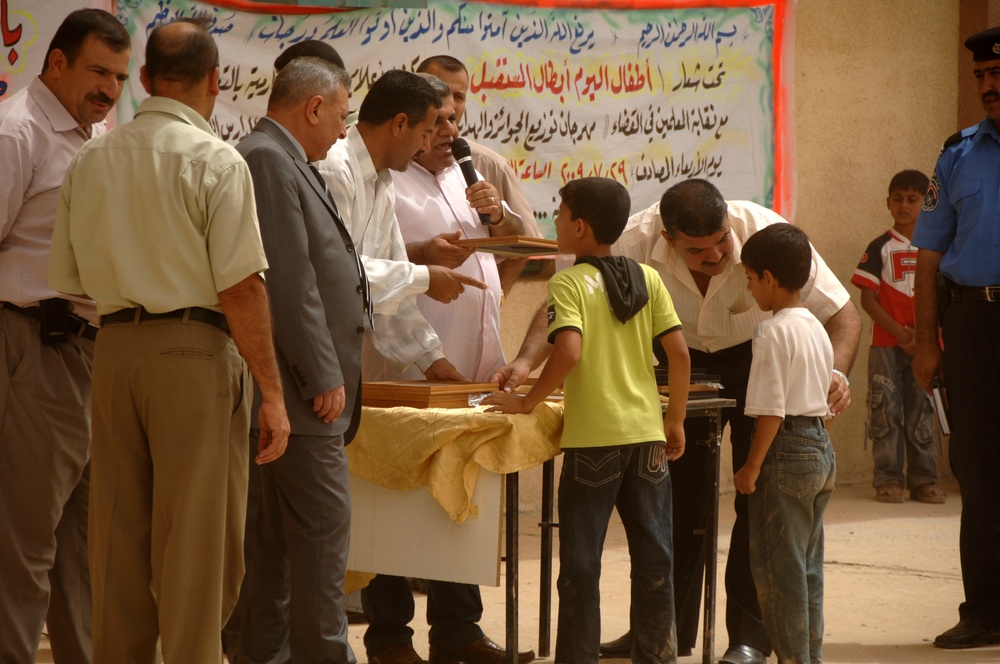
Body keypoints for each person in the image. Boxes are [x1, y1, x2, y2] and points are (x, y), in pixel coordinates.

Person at [497, 179, 860, 664]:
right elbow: (557, 311)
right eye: (697, 250)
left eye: (722, 243)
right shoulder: (635, 242)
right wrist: (524, 361)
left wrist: (832, 374)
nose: (714, 257)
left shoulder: (767, 233)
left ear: (731, 225)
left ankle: (749, 639)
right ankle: (663, 634)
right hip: (674, 372)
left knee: (759, 505)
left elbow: (843, 315)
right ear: (667, 239)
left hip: (760, 362)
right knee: (676, 511)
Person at [48, 18, 290, 664]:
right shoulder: (216, 159)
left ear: (147, 80)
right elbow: (242, 289)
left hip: (113, 352)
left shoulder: (92, 156)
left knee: (117, 543)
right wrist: (272, 393)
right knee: (198, 546)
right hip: (194, 353)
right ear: (216, 80)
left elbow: (69, 278)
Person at [354, 76, 534, 664]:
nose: (449, 133)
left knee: (461, 495)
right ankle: (389, 637)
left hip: (470, 365)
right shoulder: (385, 176)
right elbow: (365, 266)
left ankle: (459, 631)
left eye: (456, 121)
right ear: (413, 123)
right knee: (395, 501)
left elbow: (520, 246)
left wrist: (499, 212)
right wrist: (424, 259)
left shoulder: (472, 173)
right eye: (439, 123)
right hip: (403, 361)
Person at [484, 176, 691, 664]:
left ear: (578, 226)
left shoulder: (569, 281)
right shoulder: (648, 277)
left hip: (593, 442)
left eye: (558, 212)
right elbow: (678, 354)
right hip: (647, 436)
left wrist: (528, 402)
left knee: (581, 563)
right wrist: (676, 419)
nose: (553, 220)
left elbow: (568, 351)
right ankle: (658, 655)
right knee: (655, 557)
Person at [0, 9, 128, 663]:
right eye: (97, 71)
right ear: (56, 63)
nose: (110, 88)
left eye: (119, 76)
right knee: (24, 548)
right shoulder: (16, 130)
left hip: (94, 357)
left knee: (86, 550)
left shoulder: (97, 136)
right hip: (33, 350)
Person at [233, 57, 366, 664]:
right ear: (314, 107)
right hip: (303, 391)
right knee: (320, 541)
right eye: (342, 114)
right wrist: (322, 373)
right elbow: (288, 280)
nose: (344, 130)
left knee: (280, 545)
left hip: (299, 391)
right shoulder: (267, 157)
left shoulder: (288, 158)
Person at [912, 24, 1000, 651]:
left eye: (998, 75)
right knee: (980, 470)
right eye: (981, 78)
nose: (988, 86)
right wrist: (925, 340)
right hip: (973, 323)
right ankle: (985, 611)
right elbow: (927, 254)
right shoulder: (959, 152)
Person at [317, 70, 483, 384]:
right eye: (425, 133)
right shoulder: (336, 167)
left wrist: (431, 359)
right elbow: (337, 271)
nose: (425, 147)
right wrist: (425, 277)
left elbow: (386, 283)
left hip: (340, 364)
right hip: (312, 355)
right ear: (400, 124)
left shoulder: (383, 179)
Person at [733, 223, 836, 664]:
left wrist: (751, 467)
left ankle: (794, 658)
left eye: (751, 280)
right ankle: (808, 656)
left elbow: (772, 410)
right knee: (807, 566)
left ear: (769, 278)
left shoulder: (772, 332)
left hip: (787, 450)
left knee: (778, 573)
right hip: (819, 447)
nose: (751, 289)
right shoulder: (813, 323)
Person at [851, 170, 944, 505]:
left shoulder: (937, 247)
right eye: (898, 198)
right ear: (888, 202)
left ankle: (924, 481)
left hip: (927, 344)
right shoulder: (880, 246)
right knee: (885, 409)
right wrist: (899, 331)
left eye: (913, 199)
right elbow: (867, 299)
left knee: (923, 410)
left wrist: (923, 336)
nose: (904, 205)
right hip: (886, 345)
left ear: (926, 203)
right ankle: (888, 479)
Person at [417, 55, 541, 294]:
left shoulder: (482, 164)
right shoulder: (392, 170)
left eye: (458, 97)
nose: (448, 101)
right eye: (438, 91)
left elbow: (521, 245)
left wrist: (496, 296)